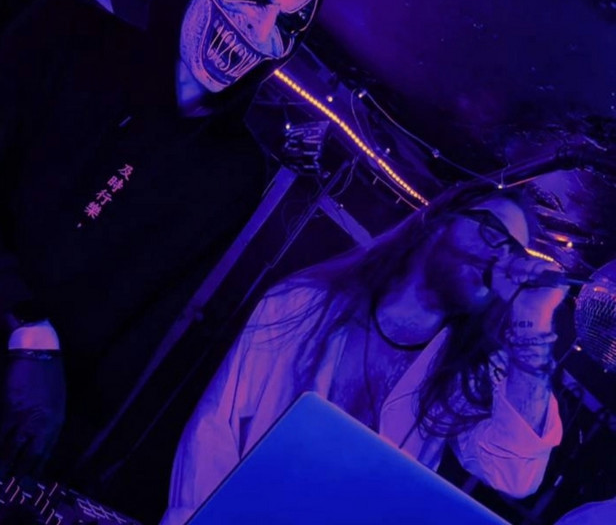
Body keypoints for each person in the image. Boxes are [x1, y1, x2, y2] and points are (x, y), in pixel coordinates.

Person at [0, 0, 325, 479]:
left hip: (12, 425)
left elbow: (145, 326)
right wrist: (26, 324)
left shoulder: (236, 172)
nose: (260, 29)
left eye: (288, 25)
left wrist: (70, 453)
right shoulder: (65, 34)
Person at [161, 186, 568, 524]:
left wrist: (534, 321)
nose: (501, 257)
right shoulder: (300, 303)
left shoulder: (464, 378)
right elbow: (216, 427)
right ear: (438, 221)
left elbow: (515, 473)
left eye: (515, 251)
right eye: (493, 231)